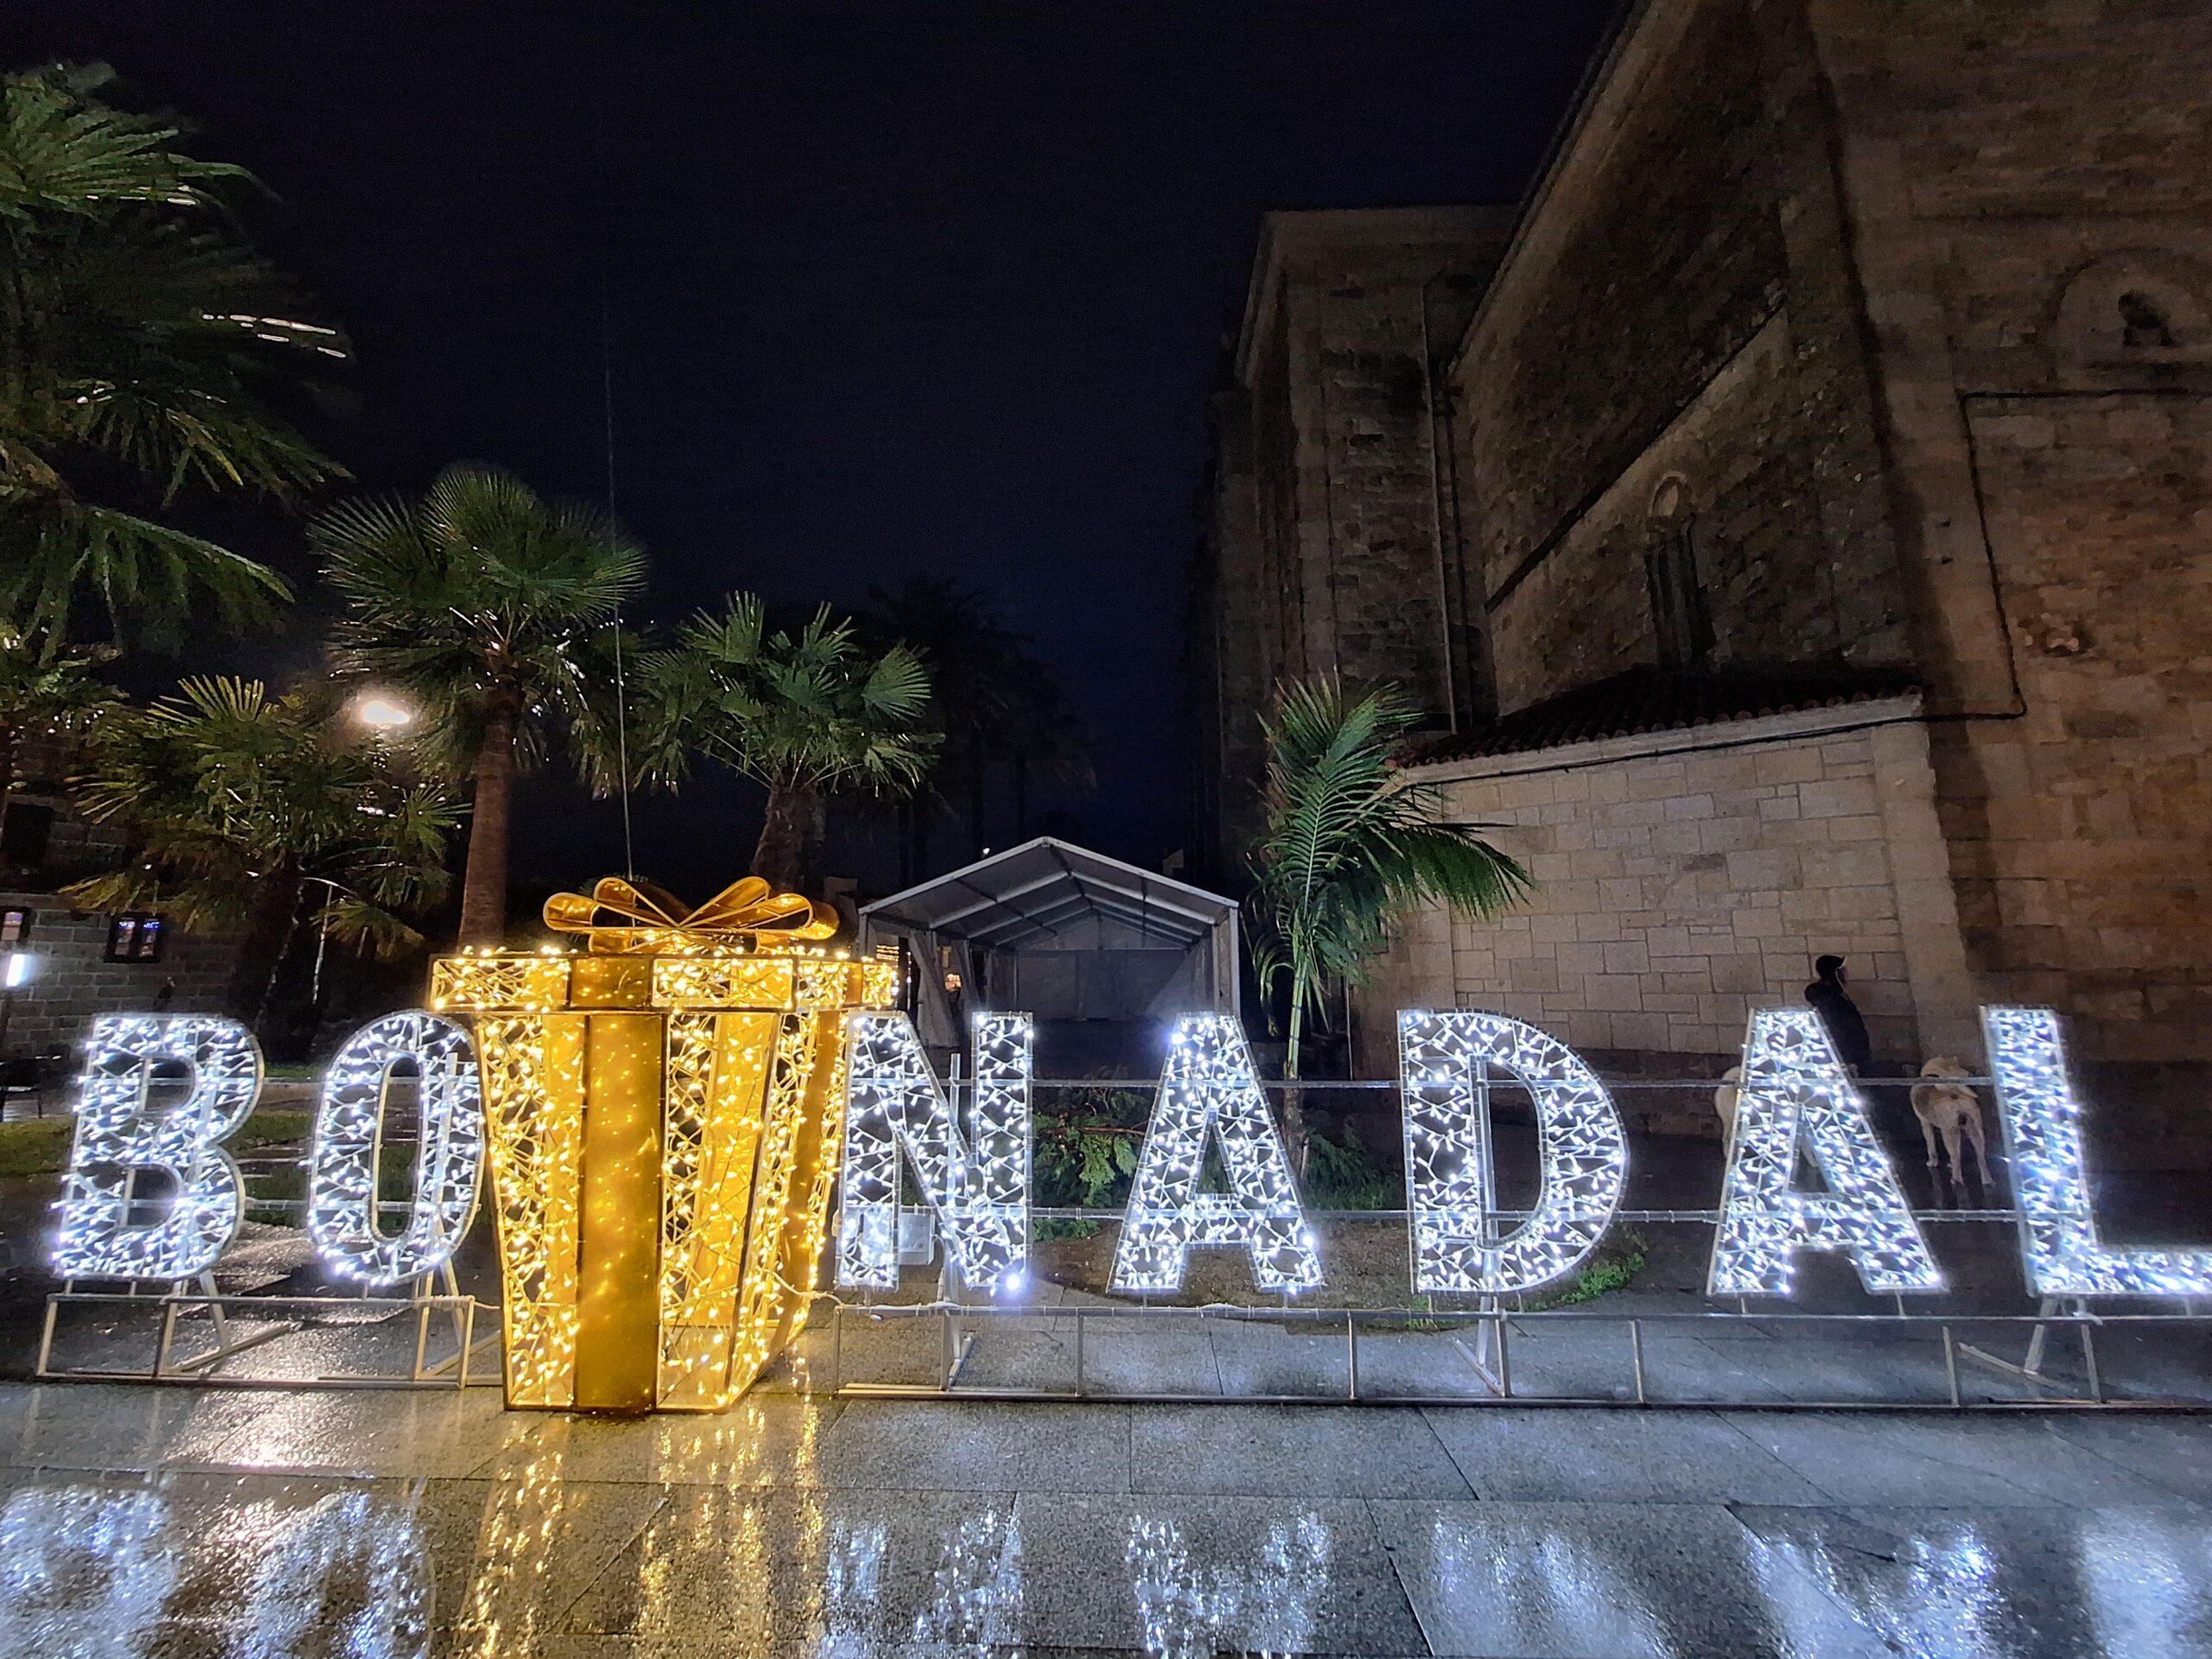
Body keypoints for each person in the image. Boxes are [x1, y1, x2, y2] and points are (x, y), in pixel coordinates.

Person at [1804, 954, 1872, 1075]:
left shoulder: (1837, 996)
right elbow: (1839, 1031)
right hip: (1845, 1060)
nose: (1845, 974)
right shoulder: (1829, 1001)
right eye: (1841, 971)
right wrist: (1849, 1061)